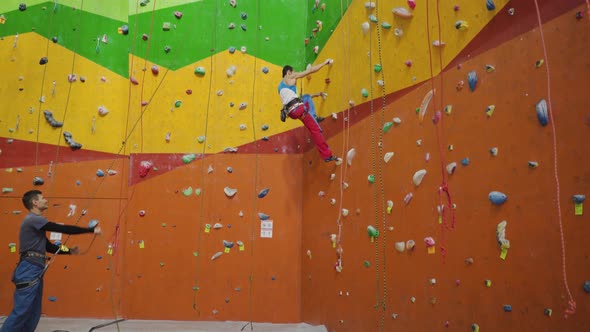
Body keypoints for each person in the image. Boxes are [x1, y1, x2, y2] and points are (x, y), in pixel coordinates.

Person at [1, 190, 101, 332]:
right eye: (42, 198)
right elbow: (61, 228)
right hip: (29, 269)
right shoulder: (33, 219)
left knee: (33, 312)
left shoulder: (36, 224)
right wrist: (90, 230)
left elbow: (48, 246)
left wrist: (70, 251)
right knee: (22, 311)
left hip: (35, 269)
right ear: (35, 202)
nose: (46, 200)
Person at [279, 59, 340, 162]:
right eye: (293, 72)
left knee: (306, 98)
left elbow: (296, 99)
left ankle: (314, 118)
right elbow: (310, 71)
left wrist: (317, 94)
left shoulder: (280, 86)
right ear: (289, 72)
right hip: (298, 109)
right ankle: (327, 155)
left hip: (293, 112)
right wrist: (325, 63)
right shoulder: (289, 76)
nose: (295, 75)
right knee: (316, 130)